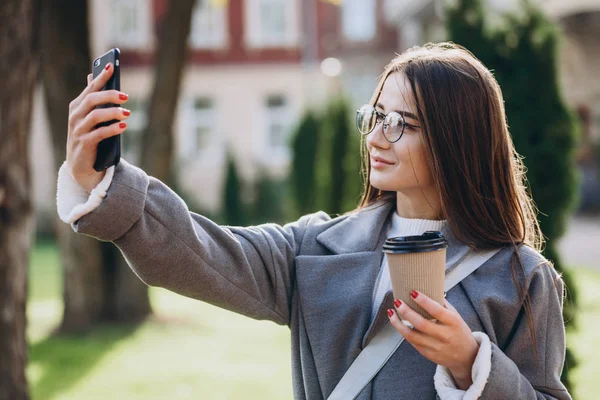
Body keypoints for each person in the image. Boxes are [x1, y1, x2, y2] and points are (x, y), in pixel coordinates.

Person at [57, 42, 572, 399]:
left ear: (456, 140)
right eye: (374, 117)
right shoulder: (313, 249)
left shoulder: (521, 278)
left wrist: (471, 364)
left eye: (399, 124)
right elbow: (197, 249)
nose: (374, 138)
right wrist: (104, 180)